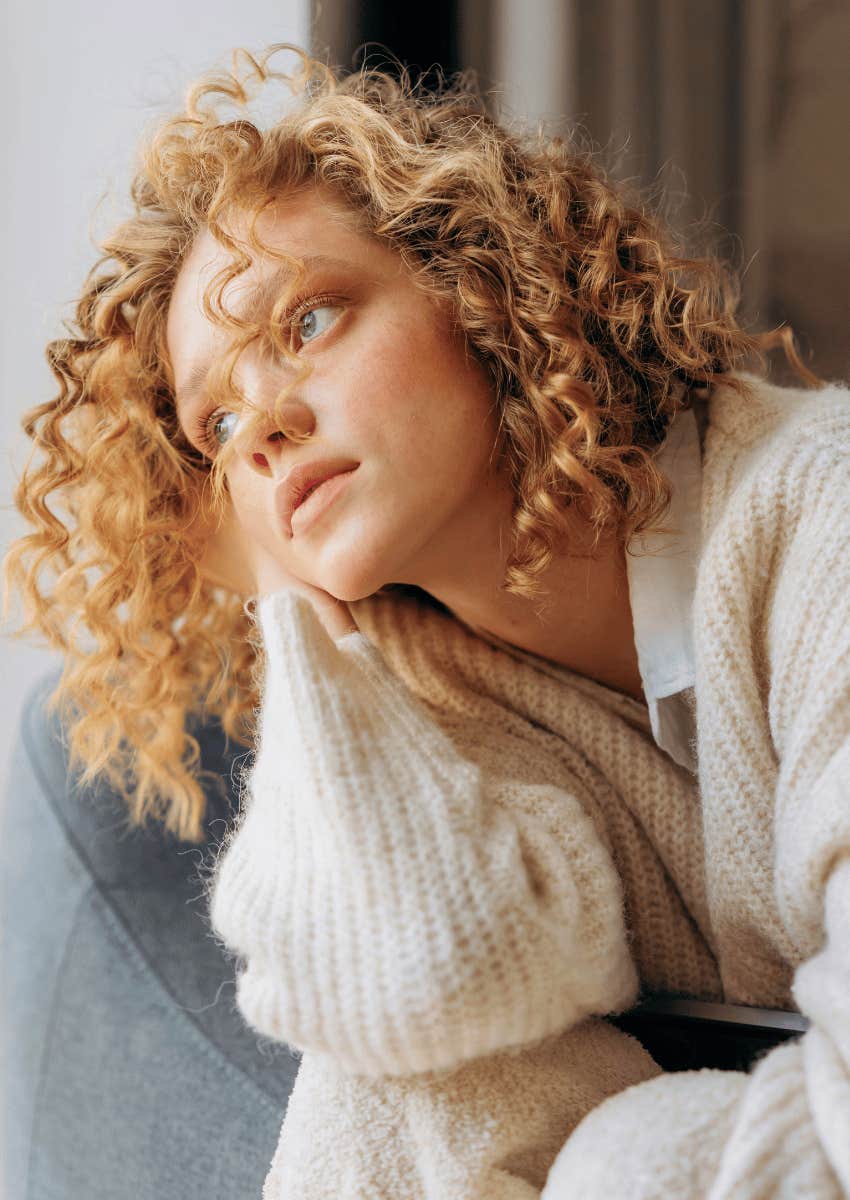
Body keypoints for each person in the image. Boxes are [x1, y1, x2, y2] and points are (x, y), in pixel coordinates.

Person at [2, 41, 848, 1199]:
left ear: (482, 285)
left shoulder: (822, 521)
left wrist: (625, 1170)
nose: (263, 423)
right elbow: (409, 997)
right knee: (374, 1087)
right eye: (216, 430)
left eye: (306, 323)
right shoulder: (433, 686)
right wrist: (307, 625)